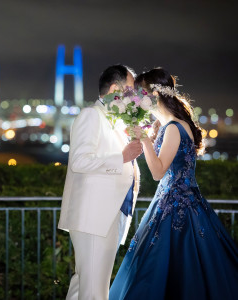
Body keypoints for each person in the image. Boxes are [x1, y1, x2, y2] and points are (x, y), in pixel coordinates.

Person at [109, 68, 238, 300]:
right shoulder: (169, 126)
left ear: (155, 96)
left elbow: (158, 172)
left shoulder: (173, 128)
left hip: (175, 209)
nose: (138, 99)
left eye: (141, 93)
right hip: (179, 204)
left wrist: (145, 140)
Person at [58, 64, 143, 299]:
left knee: (83, 285)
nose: (134, 96)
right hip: (95, 218)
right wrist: (123, 156)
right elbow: (79, 161)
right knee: (95, 291)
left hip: (107, 216)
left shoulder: (113, 120)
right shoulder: (91, 115)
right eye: (131, 90)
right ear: (115, 88)